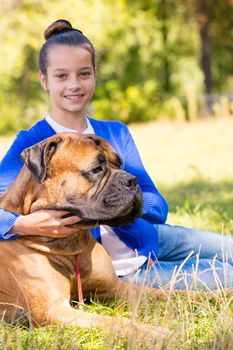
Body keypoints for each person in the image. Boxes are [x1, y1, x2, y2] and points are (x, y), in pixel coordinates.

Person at [0, 19, 232, 290]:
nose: (74, 84)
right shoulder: (32, 143)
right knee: (225, 274)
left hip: (149, 236)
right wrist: (24, 225)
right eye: (61, 76)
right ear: (44, 80)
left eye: (84, 74)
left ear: (95, 74)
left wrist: (120, 201)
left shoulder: (115, 133)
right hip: (116, 270)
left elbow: (158, 205)